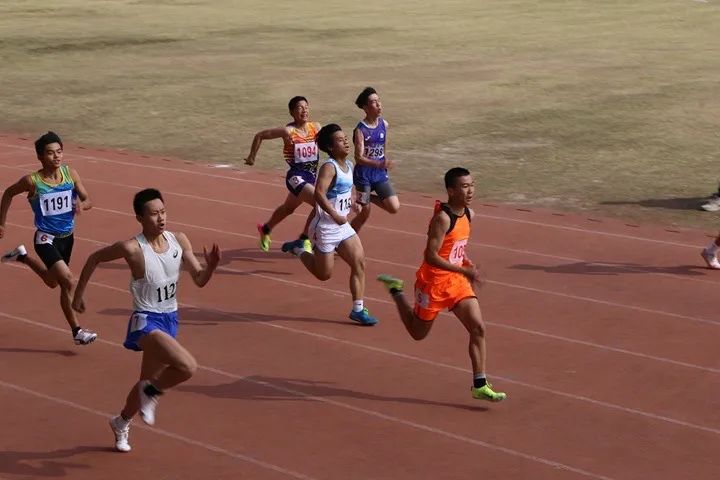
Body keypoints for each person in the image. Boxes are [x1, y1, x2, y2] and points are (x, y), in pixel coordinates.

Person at [72, 188, 220, 452]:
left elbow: (199, 279)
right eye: (153, 214)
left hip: (170, 319)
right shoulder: (131, 248)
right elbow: (94, 258)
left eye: (163, 211)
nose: (161, 218)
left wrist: (211, 267)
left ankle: (121, 421)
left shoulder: (179, 240)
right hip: (144, 321)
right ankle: (152, 393)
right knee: (187, 367)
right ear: (140, 217)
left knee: (144, 381)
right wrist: (78, 295)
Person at [376, 167, 506, 402]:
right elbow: (431, 256)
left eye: (472, 185)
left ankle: (480, 384)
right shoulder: (442, 219)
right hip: (433, 283)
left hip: (455, 282)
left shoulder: (469, 214)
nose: (470, 190)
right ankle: (396, 290)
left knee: (478, 328)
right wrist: (463, 269)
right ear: (451, 190)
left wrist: (465, 262)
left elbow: (456, 248)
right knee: (417, 333)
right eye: (464, 186)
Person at [0, 131, 97, 345]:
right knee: (68, 281)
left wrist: (82, 204)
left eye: (59, 152)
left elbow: (88, 199)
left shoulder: (70, 174)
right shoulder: (32, 181)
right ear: (40, 157)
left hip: (67, 238)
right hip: (45, 238)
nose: (57, 157)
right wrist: (1, 223)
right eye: (51, 153)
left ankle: (22, 256)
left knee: (53, 282)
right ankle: (77, 332)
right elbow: (7, 193)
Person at [281, 124, 378, 326]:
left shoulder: (349, 166)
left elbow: (344, 193)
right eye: (340, 140)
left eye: (345, 138)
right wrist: (334, 214)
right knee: (324, 275)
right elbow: (319, 193)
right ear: (331, 147)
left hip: (342, 227)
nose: (345, 142)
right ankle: (300, 249)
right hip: (324, 228)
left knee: (359, 263)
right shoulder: (329, 167)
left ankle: (358, 310)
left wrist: (352, 205)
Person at [244, 96, 320, 252]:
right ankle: (304, 239)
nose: (304, 110)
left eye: (306, 107)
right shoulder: (288, 131)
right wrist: (252, 156)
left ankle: (265, 229)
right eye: (300, 107)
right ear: (292, 112)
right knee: (320, 205)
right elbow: (260, 135)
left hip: (311, 177)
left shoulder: (316, 128)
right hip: (296, 177)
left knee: (288, 208)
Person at [350, 87, 400, 233]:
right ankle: (345, 241)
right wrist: (378, 163)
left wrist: (383, 162)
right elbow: (358, 158)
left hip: (378, 174)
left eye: (379, 101)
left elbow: (382, 148)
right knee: (364, 214)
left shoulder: (384, 124)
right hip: (363, 176)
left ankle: (366, 198)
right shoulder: (360, 130)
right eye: (374, 102)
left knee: (393, 207)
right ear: (365, 107)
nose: (379, 105)